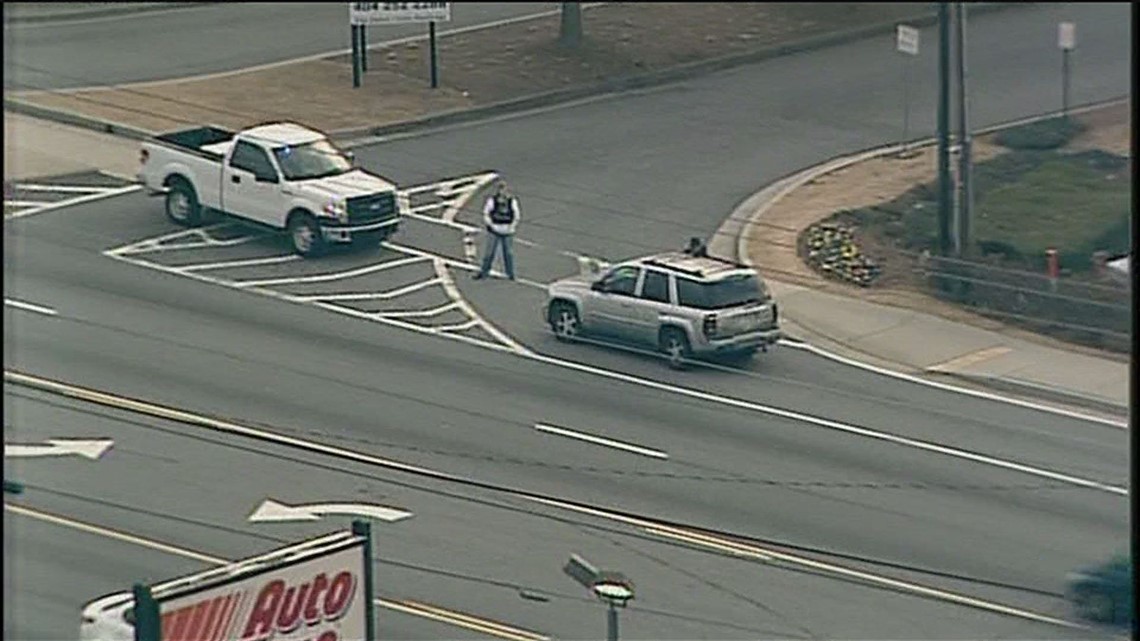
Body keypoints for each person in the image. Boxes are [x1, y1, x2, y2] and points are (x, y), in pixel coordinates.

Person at [474, 180, 520, 280]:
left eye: (504, 189)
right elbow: (486, 213)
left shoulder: (512, 201)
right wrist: (490, 225)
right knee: (489, 253)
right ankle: (484, 272)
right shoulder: (492, 200)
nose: (503, 192)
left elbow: (516, 215)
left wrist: (512, 226)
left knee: (508, 253)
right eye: (501, 189)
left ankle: (510, 274)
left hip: (508, 230)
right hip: (494, 230)